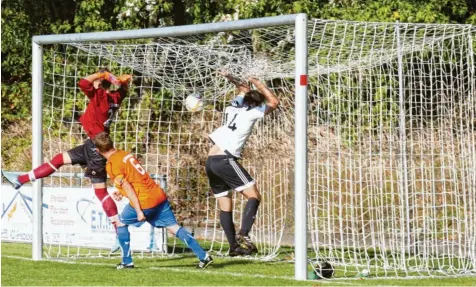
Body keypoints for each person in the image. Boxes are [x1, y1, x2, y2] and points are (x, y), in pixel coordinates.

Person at [2, 69, 132, 230]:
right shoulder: (115, 98)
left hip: (96, 149)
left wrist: (100, 74)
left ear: (99, 84)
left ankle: (118, 227)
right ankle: (20, 180)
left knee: (101, 192)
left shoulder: (101, 96)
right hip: (93, 143)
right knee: (59, 159)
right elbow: (123, 90)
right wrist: (124, 82)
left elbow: (83, 82)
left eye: (96, 82)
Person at [93, 132, 213, 269]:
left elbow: (129, 187)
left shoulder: (112, 164)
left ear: (97, 150)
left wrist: (138, 211)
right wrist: (121, 192)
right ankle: (204, 256)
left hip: (144, 201)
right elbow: (134, 181)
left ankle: (127, 262)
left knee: (120, 223)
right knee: (174, 227)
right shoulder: (124, 154)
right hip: (158, 195)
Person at [206, 71, 279, 256]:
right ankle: (244, 234)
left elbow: (242, 90)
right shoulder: (253, 112)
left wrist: (229, 77)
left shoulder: (232, 109)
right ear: (256, 104)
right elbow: (274, 102)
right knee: (254, 195)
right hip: (225, 160)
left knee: (225, 204)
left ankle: (233, 247)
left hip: (211, 162)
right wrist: (258, 82)